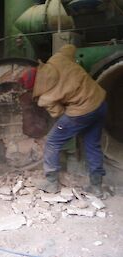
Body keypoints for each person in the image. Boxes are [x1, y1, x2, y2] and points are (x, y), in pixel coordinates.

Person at [19, 44, 107, 198]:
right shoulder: (58, 59)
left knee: (53, 141)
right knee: (92, 144)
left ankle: (51, 182)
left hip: (81, 112)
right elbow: (70, 48)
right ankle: (96, 186)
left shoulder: (44, 98)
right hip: (100, 102)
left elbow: (58, 113)